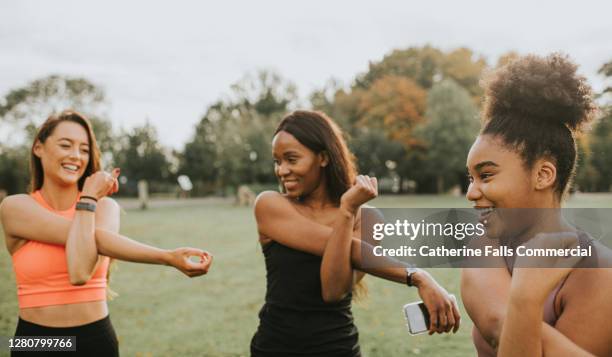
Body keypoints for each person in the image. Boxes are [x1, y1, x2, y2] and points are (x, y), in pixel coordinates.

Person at [0, 110, 213, 356]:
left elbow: (81, 269)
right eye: (65, 145)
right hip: (35, 341)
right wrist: (167, 257)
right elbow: (90, 246)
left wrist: (90, 201)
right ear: (38, 147)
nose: (75, 156)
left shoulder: (105, 208)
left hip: (95, 339)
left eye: (84, 149)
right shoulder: (16, 207)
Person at [250, 110, 460, 357]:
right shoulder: (270, 205)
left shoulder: (369, 219)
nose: (282, 170)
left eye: (291, 159)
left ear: (324, 158)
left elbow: (333, 290)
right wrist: (417, 275)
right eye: (277, 161)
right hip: (275, 347)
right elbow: (349, 248)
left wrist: (347, 212)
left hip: (336, 347)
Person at [461, 53, 612, 356]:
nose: (471, 192)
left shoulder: (598, 273)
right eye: (471, 178)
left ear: (543, 174)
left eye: (486, 175)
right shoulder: (484, 244)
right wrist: (524, 301)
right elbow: (497, 327)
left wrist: (525, 301)